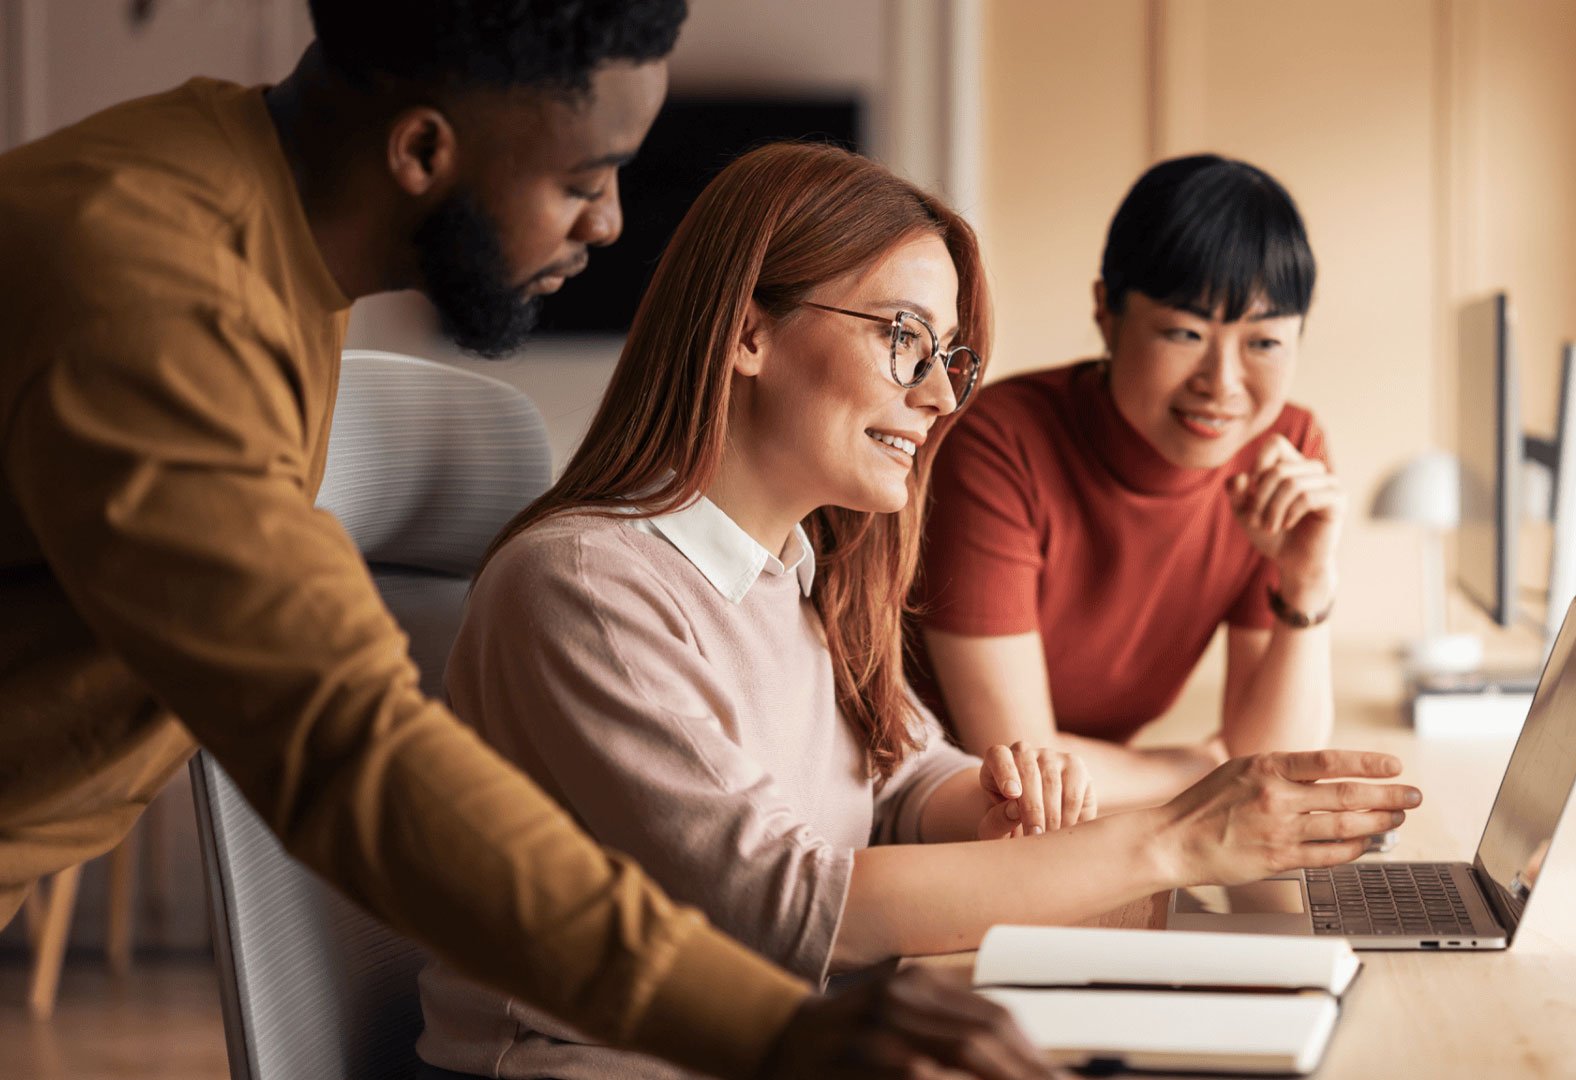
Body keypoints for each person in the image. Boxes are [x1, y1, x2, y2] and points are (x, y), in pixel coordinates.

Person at [0, 4, 1056, 1078]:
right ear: (421, 149)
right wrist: (775, 1026)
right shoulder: (161, 297)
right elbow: (342, 748)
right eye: (582, 181)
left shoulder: (259, 237)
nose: (608, 226)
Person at [415, 140, 1421, 1080]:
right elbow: (782, 904)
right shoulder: (589, 586)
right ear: (748, 330)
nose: (942, 396)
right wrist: (1172, 835)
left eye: (950, 355)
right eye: (905, 339)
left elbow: (898, 773)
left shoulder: (799, 565)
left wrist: (983, 800)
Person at [914, 154, 1343, 812]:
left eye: (1263, 343)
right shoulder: (999, 444)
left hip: (1088, 817)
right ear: (1106, 313)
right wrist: (1208, 767)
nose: (1222, 384)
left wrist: (1307, 580)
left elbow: (1276, 765)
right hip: (935, 808)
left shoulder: (1284, 454)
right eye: (1184, 332)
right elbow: (1024, 769)